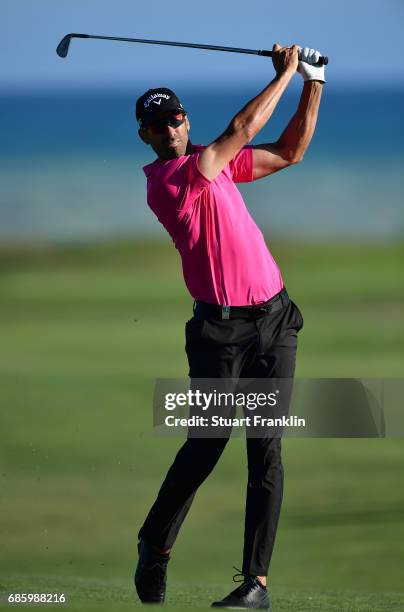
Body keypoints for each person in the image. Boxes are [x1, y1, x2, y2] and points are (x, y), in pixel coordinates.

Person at [134, 44, 325, 609]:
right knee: (207, 445)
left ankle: (255, 585)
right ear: (144, 136)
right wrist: (286, 72)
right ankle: (155, 543)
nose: (168, 127)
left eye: (174, 118)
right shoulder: (170, 180)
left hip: (275, 320)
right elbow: (242, 128)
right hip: (221, 333)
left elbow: (289, 151)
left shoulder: (213, 165)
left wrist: (314, 83)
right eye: (155, 123)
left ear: (184, 119)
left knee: (266, 452)